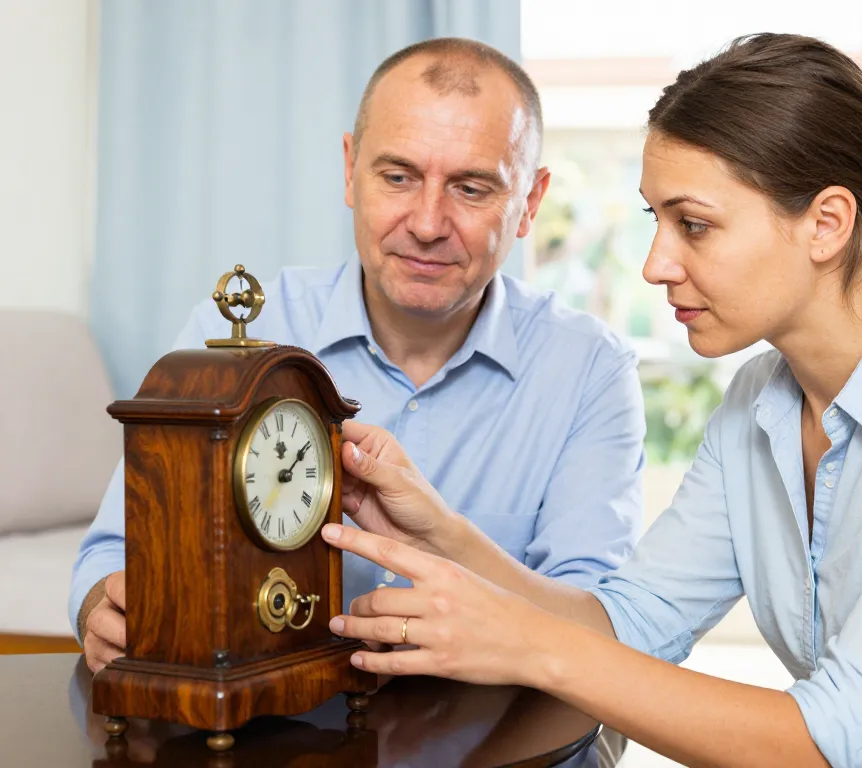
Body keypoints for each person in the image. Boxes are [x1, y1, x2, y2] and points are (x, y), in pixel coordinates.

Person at [315, 33, 862, 768]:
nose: (655, 264)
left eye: (694, 225)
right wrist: (439, 535)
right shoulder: (757, 405)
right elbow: (633, 624)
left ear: (826, 224)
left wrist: (526, 644)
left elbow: (838, 738)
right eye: (656, 220)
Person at [70, 38, 647, 681]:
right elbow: (113, 554)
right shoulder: (229, 338)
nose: (427, 223)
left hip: (499, 721)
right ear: (350, 170)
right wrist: (105, 610)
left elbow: (599, 626)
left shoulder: (590, 371)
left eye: (471, 188)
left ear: (530, 203)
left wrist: (453, 544)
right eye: (398, 177)